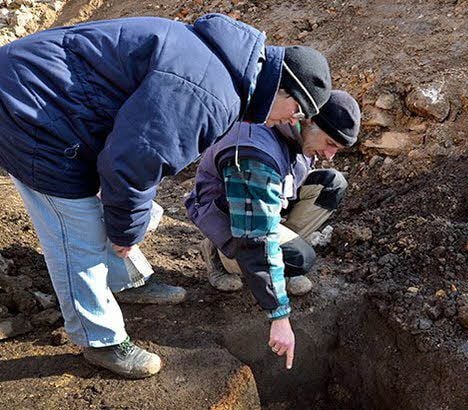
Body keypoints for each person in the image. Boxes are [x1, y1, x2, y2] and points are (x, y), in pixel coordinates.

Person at [0, 13, 332, 378]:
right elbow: (131, 165)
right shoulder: (207, 95)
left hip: (59, 103)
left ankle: (126, 281)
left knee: (134, 212)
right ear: (282, 89)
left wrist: (127, 223)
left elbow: (133, 156)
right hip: (30, 112)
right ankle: (100, 340)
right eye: (297, 111)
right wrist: (126, 233)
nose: (289, 120)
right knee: (76, 230)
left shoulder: (226, 68)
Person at [185, 90, 361, 369]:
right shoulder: (255, 151)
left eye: (337, 149)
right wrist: (279, 316)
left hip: (264, 205)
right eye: (329, 143)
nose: (329, 155)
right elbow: (256, 240)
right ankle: (219, 254)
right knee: (300, 258)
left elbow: (282, 191)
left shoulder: (297, 134)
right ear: (308, 119)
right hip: (230, 217)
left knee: (331, 183)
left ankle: (280, 262)